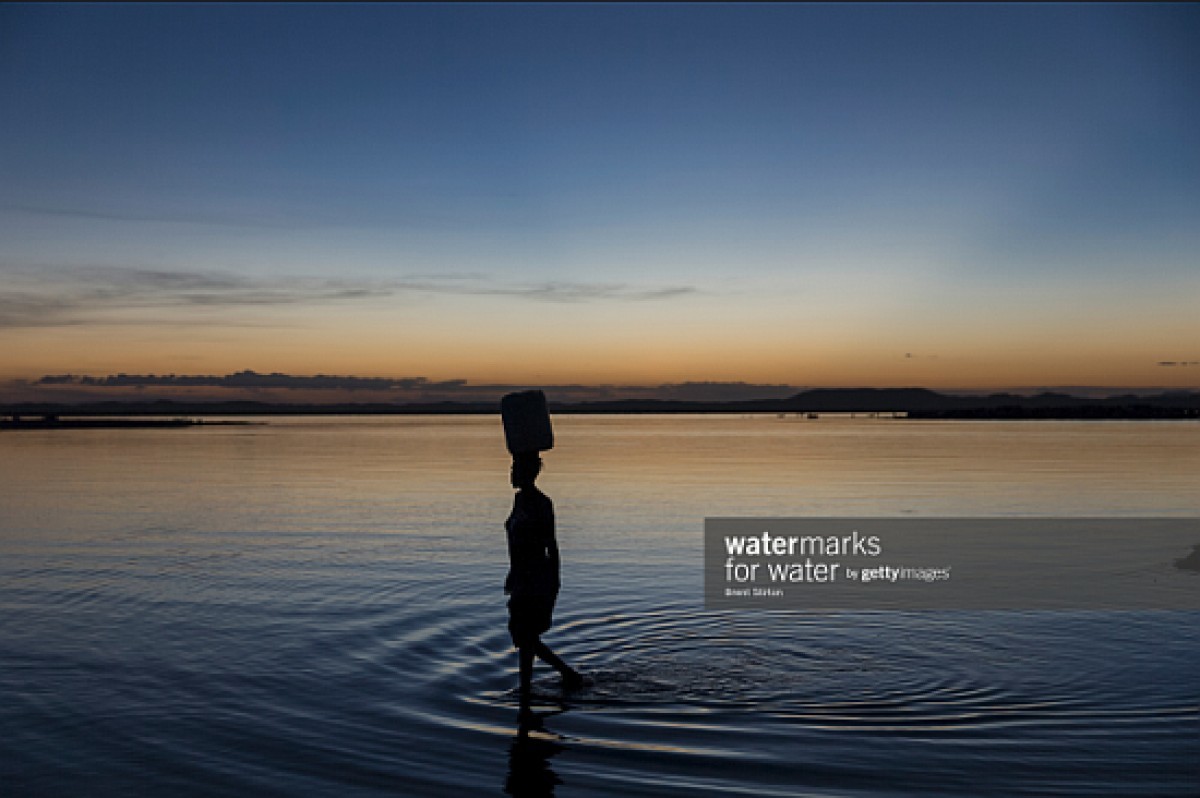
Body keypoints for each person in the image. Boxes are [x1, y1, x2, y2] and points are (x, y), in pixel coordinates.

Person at [505, 452, 583, 704]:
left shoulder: (542, 503)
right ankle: (534, 686)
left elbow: (551, 545)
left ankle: (560, 677)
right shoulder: (518, 500)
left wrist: (554, 582)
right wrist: (512, 573)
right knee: (524, 638)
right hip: (520, 577)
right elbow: (515, 542)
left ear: (528, 473)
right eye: (512, 468)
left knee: (524, 636)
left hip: (537, 577)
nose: (511, 473)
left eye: (516, 468)